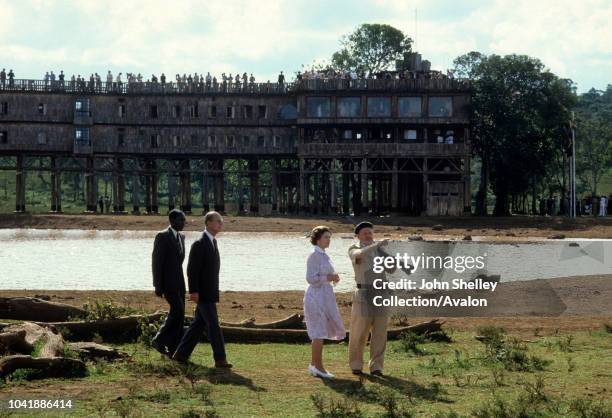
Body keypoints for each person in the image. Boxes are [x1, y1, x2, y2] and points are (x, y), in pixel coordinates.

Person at [172, 211, 232, 368]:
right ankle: (220, 359)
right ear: (209, 223)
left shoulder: (212, 242)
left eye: (221, 221)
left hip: (210, 292)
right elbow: (192, 270)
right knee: (213, 325)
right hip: (203, 294)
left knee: (198, 325)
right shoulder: (200, 243)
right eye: (218, 221)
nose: (221, 224)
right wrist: (193, 291)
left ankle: (181, 354)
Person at [347, 221, 395, 376]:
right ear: (358, 236)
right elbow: (359, 255)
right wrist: (376, 246)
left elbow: (392, 269)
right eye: (365, 233)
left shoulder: (379, 250)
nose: (369, 235)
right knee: (359, 332)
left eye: (370, 232)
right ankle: (356, 365)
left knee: (380, 333)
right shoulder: (354, 248)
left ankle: (376, 367)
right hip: (364, 294)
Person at [304, 226, 346, 379]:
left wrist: (333, 277)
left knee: (320, 331)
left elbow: (324, 275)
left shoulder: (324, 255)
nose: (329, 240)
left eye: (330, 237)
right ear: (318, 239)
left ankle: (315, 365)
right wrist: (328, 278)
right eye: (326, 237)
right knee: (318, 332)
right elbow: (310, 278)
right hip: (316, 297)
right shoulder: (314, 255)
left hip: (325, 296)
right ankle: (318, 367)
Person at [151, 209, 187, 356]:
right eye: (181, 220)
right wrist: (157, 286)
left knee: (180, 314)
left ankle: (173, 347)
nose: (184, 223)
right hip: (168, 284)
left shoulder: (182, 237)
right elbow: (156, 262)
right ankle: (158, 339)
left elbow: (179, 262)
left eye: (184, 220)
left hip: (180, 283)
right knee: (177, 311)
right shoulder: (162, 236)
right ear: (172, 221)